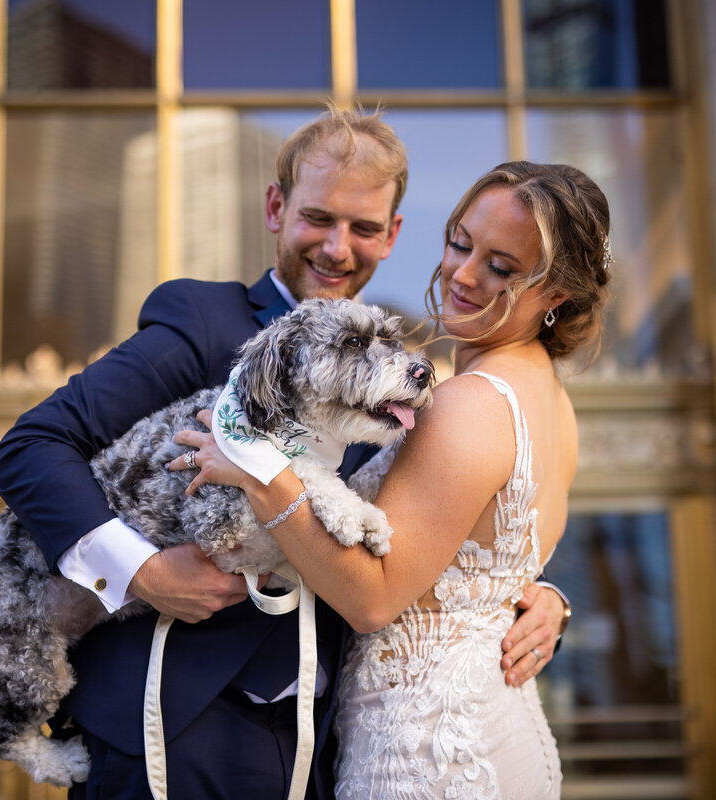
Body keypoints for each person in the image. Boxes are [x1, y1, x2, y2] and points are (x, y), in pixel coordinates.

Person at [0, 111, 571, 799]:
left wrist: (529, 597)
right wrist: (139, 569)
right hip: (175, 735)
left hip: (325, 749)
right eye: (317, 218)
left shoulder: (395, 368)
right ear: (275, 207)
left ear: (392, 236)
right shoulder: (203, 323)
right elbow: (29, 449)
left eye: (362, 228)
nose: (336, 247)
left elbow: (433, 528)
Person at [172, 160, 612, 799]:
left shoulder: (468, 402)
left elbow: (374, 599)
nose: (461, 274)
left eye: (500, 268)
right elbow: (481, 559)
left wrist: (261, 475)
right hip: (499, 735)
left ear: (555, 295)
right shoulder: (551, 400)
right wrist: (548, 598)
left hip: (426, 754)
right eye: (460, 242)